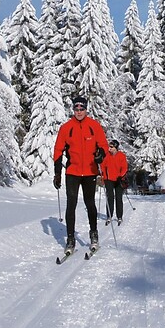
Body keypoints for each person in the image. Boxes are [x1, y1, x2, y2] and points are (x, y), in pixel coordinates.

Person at [53, 95, 109, 254]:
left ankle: (94, 234)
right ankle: (70, 239)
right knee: (71, 204)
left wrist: (101, 155)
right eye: (76, 108)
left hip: (90, 171)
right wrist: (57, 173)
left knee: (90, 203)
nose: (79, 111)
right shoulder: (66, 127)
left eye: (82, 108)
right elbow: (58, 150)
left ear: (86, 109)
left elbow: (103, 145)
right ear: (73, 109)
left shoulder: (94, 126)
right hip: (73, 172)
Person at [101, 138, 129, 224]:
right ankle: (109, 216)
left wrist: (121, 176)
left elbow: (124, 167)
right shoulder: (107, 156)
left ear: (116, 147)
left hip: (118, 180)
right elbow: (103, 167)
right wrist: (104, 177)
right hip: (109, 180)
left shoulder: (122, 156)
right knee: (110, 198)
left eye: (112, 147)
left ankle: (119, 216)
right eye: (109, 146)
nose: (110, 148)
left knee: (118, 198)